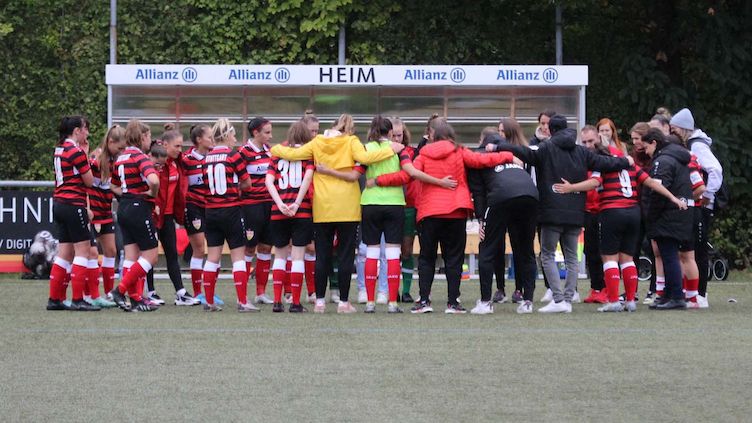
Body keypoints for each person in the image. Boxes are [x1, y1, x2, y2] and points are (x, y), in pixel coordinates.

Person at [489, 114, 632, 313]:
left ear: (552, 130)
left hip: (551, 212)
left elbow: (524, 152)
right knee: (572, 257)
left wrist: (498, 147)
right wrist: (626, 161)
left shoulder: (546, 149)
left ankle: (557, 300)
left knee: (547, 255)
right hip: (575, 213)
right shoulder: (582, 151)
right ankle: (568, 298)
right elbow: (604, 163)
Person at [377, 119, 514, 314]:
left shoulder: (423, 153)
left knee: (426, 258)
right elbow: (482, 161)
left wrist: (379, 180)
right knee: (454, 258)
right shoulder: (459, 151)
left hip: (430, 213)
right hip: (456, 212)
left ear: (434, 137)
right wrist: (508, 155)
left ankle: (424, 301)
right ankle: (452, 303)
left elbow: (408, 175)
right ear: (451, 137)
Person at [270, 113, 403, 313]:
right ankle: (343, 302)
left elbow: (293, 154)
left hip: (323, 205)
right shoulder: (352, 141)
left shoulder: (318, 142)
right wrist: (390, 150)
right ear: (349, 128)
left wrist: (274, 148)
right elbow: (366, 158)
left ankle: (320, 302)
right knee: (345, 256)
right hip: (347, 206)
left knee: (322, 256)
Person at [553, 137, 687, 312]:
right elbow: (651, 182)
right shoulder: (631, 166)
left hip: (612, 212)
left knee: (609, 258)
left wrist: (571, 188)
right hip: (633, 213)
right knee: (628, 258)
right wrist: (673, 198)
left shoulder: (603, 166)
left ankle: (614, 300)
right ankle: (630, 300)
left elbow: (594, 182)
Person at [359, 116, 457, 313]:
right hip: (395, 204)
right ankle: (392, 303)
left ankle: (370, 302)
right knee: (394, 254)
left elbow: (356, 171)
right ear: (389, 132)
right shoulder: (399, 150)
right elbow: (409, 174)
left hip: (370, 203)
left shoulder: (365, 150)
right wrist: (439, 181)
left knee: (371, 253)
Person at [469, 118, 539, 314]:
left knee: (488, 248)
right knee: (526, 251)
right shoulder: (512, 155)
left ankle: (484, 302)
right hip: (531, 196)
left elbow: (479, 192)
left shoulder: (478, 157)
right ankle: (527, 302)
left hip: (501, 197)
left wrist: (481, 220)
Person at [200, 118, 257, 312]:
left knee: (212, 257)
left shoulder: (207, 157)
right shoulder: (233, 155)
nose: (235, 138)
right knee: (238, 257)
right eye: (233, 134)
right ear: (226, 134)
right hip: (231, 210)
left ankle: (208, 301)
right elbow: (247, 183)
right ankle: (242, 301)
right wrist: (235, 188)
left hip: (211, 211)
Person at [670, 108, 723, 308]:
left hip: (701, 205)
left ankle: (700, 294)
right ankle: (693, 292)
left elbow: (716, 170)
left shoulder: (697, 146)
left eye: (674, 129)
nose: (671, 133)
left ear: (683, 129)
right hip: (697, 203)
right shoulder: (691, 145)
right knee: (691, 249)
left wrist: (708, 196)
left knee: (698, 250)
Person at [638, 129, 694, 310]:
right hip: (678, 214)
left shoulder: (662, 162)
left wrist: (650, 215)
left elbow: (658, 191)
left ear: (654, 143)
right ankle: (669, 294)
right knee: (669, 255)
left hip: (667, 215)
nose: (645, 152)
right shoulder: (677, 158)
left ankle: (676, 296)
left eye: (646, 147)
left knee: (669, 256)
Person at [146, 126, 201, 306]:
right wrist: (153, 206)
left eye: (181, 146)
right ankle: (150, 292)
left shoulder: (178, 163)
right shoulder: (154, 161)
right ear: (165, 144)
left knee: (171, 254)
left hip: (168, 216)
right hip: (152, 215)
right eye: (177, 146)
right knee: (150, 256)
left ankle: (180, 293)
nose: (180, 149)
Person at [109, 119, 160, 312]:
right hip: (139, 208)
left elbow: (113, 185)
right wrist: (150, 194)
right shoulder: (141, 157)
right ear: (142, 137)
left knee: (131, 257)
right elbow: (154, 180)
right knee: (151, 256)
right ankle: (120, 291)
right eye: (149, 137)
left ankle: (136, 298)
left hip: (124, 207)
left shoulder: (120, 158)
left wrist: (128, 193)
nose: (150, 141)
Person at [47, 116, 97, 311]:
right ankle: (78, 299)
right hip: (73, 204)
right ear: (77, 131)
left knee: (64, 253)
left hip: (59, 203)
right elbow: (89, 181)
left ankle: (55, 299)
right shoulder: (76, 151)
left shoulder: (59, 149)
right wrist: (85, 154)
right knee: (83, 251)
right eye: (85, 129)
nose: (87, 133)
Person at [265, 121, 316, 313]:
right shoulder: (308, 155)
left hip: (279, 211)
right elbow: (308, 178)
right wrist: (296, 203)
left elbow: (269, 181)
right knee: (298, 256)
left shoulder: (277, 156)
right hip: (301, 210)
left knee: (279, 255)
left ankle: (277, 301)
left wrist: (280, 204)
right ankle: (295, 302)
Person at [85, 124, 126, 309]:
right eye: (119, 148)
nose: (122, 151)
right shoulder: (95, 159)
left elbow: (114, 187)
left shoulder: (117, 162)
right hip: (91, 213)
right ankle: (89, 294)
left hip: (106, 212)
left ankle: (109, 294)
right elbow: (83, 185)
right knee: (91, 254)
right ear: (110, 142)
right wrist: (86, 208)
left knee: (111, 251)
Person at [239, 117, 275, 304]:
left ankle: (261, 292)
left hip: (269, 204)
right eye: (267, 132)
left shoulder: (270, 151)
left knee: (266, 247)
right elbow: (238, 180)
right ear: (255, 133)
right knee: (249, 248)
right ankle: (243, 294)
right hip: (251, 206)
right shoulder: (244, 152)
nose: (271, 135)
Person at [181, 124, 214, 303]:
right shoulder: (186, 159)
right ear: (199, 140)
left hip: (212, 206)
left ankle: (209, 292)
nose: (212, 140)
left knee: (212, 248)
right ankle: (197, 293)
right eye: (209, 136)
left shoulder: (215, 157)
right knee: (199, 248)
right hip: (193, 207)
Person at [578, 126, 607, 304]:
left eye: (591, 141)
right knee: (590, 251)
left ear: (598, 138)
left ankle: (607, 289)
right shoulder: (581, 159)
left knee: (606, 252)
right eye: (585, 142)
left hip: (605, 209)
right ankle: (596, 288)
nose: (588, 145)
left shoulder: (607, 156)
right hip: (587, 210)